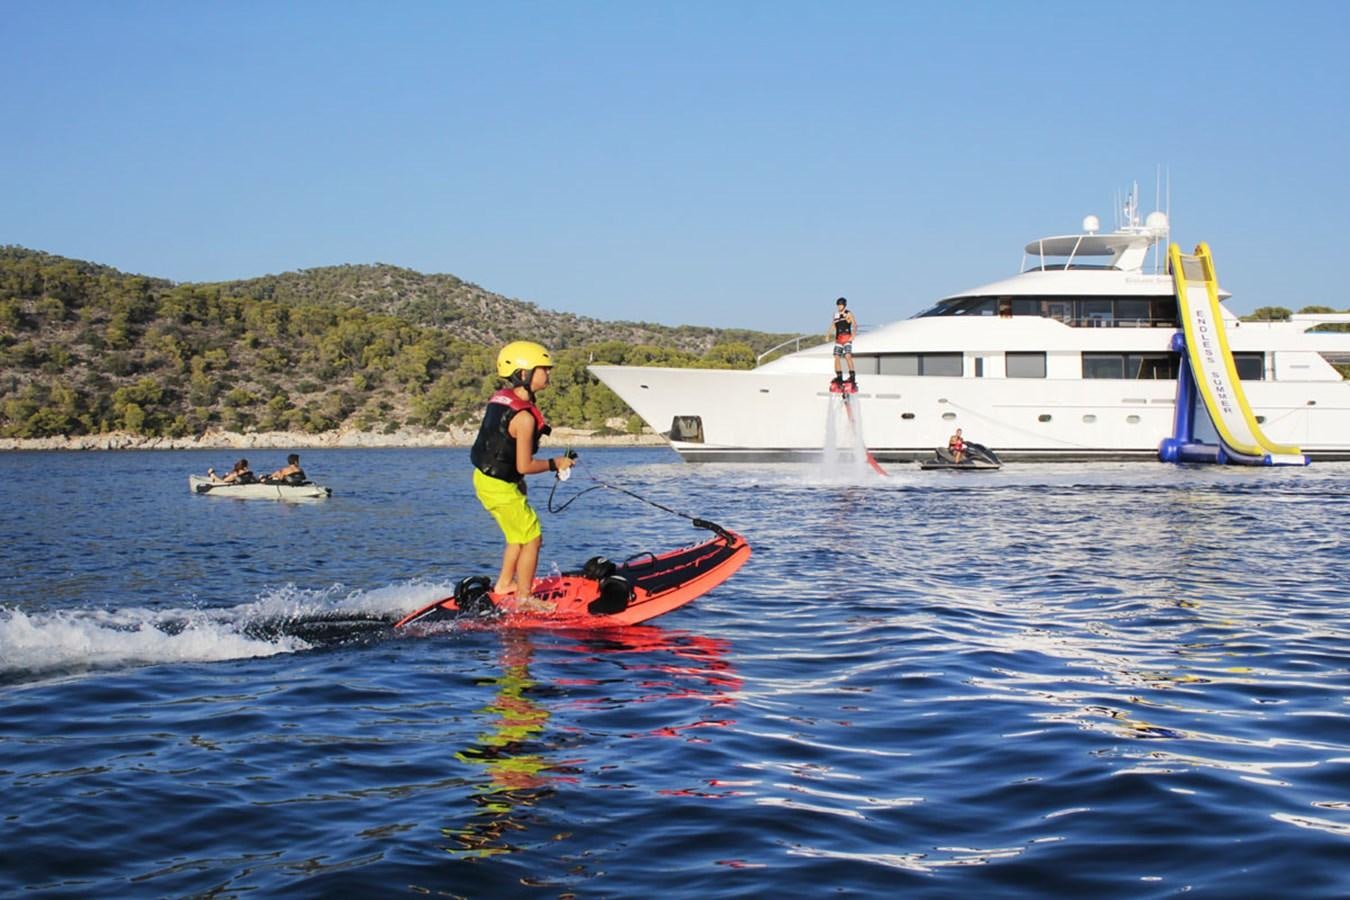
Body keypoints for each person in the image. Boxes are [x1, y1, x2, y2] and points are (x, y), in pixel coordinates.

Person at [470, 340, 576, 602]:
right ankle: (525, 597)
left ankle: (505, 584)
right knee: (533, 538)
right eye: (544, 369)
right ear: (524, 373)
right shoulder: (525, 418)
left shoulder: (502, 400)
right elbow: (524, 465)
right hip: (498, 487)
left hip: (488, 480)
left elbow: (501, 448)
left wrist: (516, 481)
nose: (549, 374)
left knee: (517, 535)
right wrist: (556, 463)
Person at [828, 296, 858, 389]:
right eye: (838, 305)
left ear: (844, 305)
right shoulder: (836, 314)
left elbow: (855, 324)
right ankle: (839, 376)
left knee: (847, 355)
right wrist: (828, 334)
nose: (839, 307)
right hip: (838, 339)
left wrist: (853, 335)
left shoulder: (848, 313)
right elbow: (833, 325)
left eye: (841, 305)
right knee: (836, 356)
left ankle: (852, 376)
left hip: (847, 337)